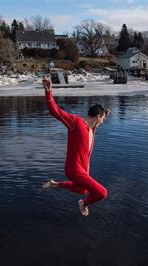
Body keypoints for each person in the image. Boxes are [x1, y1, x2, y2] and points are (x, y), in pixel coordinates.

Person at [42, 76, 109, 216]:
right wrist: (48, 91)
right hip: (74, 169)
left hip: (83, 170)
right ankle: (83, 204)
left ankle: (55, 184)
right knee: (102, 193)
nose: (102, 122)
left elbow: (93, 127)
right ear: (97, 117)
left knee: (83, 190)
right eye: (102, 119)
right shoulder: (75, 122)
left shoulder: (91, 128)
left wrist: (105, 113)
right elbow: (56, 112)